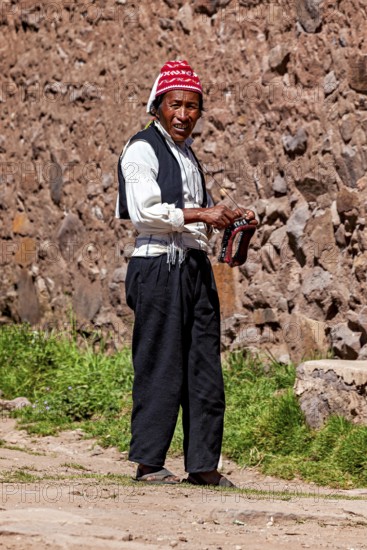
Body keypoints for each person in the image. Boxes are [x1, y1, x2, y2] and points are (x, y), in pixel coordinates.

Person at [116, 60, 255, 486]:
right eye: (175, 104)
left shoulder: (189, 157)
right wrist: (202, 212)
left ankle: (203, 465)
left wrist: (229, 218)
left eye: (193, 106)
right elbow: (144, 210)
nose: (184, 114)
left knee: (204, 365)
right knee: (160, 362)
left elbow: (196, 218)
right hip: (158, 265)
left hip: (193, 266)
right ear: (157, 106)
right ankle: (149, 462)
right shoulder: (141, 149)